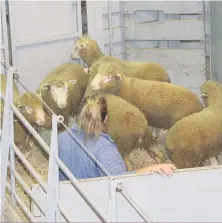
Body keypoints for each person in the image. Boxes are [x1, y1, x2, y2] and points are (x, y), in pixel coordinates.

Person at [58, 94, 176, 181]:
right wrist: (151, 169)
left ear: (79, 115)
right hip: (95, 206)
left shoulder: (61, 139)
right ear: (106, 119)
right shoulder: (104, 148)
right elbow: (120, 180)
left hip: (66, 203)